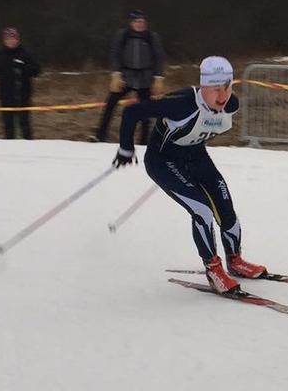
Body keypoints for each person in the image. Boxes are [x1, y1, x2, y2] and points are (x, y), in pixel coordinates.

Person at [111, 56, 266, 294]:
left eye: (227, 87)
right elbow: (132, 112)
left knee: (225, 207)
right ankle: (214, 270)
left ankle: (235, 261)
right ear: (203, 86)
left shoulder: (231, 104)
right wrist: (125, 147)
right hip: (163, 162)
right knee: (202, 210)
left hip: (195, 157)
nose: (223, 96)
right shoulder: (180, 103)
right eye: (216, 89)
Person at [93, 9, 165, 143]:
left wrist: (158, 77)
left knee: (145, 111)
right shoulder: (123, 35)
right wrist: (116, 73)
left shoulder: (151, 36)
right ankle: (100, 135)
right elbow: (115, 54)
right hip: (125, 77)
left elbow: (158, 57)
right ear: (131, 23)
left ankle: (144, 140)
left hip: (145, 78)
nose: (140, 24)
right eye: (137, 22)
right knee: (110, 105)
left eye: (142, 22)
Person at [0, 27, 41, 139]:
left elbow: (37, 70)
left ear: (17, 39)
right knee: (8, 127)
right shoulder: (0, 54)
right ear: (4, 40)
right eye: (8, 39)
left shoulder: (25, 54)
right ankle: (10, 150)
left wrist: (23, 68)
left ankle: (28, 149)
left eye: (13, 38)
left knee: (24, 126)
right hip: (5, 97)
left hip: (22, 96)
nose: (11, 41)